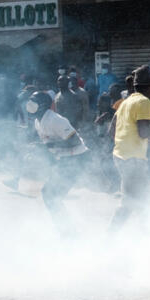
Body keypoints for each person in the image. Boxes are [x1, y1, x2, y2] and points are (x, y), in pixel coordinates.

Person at [25, 90, 89, 233]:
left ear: (42, 105)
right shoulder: (38, 121)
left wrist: (49, 146)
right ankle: (66, 229)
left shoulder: (56, 120)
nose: (29, 104)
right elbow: (48, 144)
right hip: (64, 161)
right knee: (50, 195)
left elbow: (75, 141)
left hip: (76, 159)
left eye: (33, 101)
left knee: (50, 195)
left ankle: (67, 230)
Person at [109, 65, 150, 229]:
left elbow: (111, 131)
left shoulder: (125, 102)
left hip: (121, 155)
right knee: (131, 201)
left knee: (143, 197)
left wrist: (129, 137)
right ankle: (110, 238)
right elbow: (144, 133)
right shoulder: (144, 102)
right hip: (133, 159)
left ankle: (147, 232)